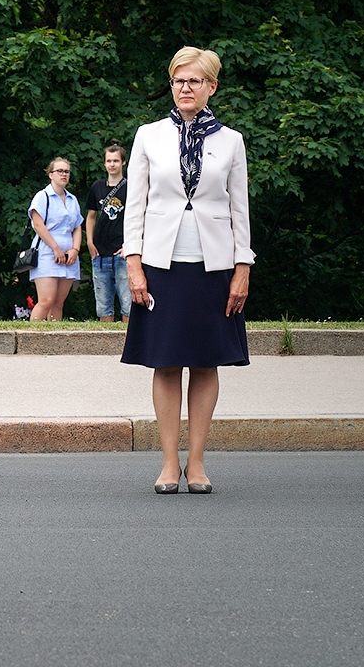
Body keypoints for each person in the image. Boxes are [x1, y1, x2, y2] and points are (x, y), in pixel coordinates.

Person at [121, 47, 254, 495]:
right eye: (179, 80)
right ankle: (167, 463)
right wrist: (133, 265)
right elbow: (134, 205)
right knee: (164, 361)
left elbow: (240, 210)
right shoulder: (149, 135)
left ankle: (196, 463)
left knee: (204, 361)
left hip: (214, 266)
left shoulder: (230, 141)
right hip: (160, 264)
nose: (185, 88)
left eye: (195, 81)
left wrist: (243, 268)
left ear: (212, 86)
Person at [27, 157, 83, 321]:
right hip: (47, 253)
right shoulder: (42, 196)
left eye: (66, 171)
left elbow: (77, 226)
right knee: (46, 300)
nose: (64, 174)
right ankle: (32, 339)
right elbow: (38, 225)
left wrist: (75, 249)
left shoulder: (72, 199)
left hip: (69, 257)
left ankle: (54, 341)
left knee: (58, 302)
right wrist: (56, 248)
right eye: (59, 171)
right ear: (51, 174)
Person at [85, 142, 130, 322]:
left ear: (123, 163)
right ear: (104, 163)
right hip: (100, 254)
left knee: (128, 303)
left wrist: (131, 246)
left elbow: (141, 218)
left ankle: (128, 343)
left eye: (116, 161)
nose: (112, 164)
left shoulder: (131, 187)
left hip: (122, 252)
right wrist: (89, 242)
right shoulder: (97, 187)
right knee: (103, 306)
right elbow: (90, 216)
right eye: (109, 161)